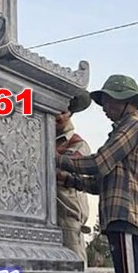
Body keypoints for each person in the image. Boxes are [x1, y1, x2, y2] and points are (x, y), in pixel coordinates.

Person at [56, 75, 138, 273]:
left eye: (108, 101)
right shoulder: (124, 130)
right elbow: (101, 183)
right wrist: (69, 179)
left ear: (124, 101)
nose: (104, 107)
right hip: (125, 220)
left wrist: (56, 160)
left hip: (126, 218)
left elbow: (98, 164)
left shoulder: (132, 127)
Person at [55, 92, 92, 263]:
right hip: (47, 218)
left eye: (63, 112)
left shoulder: (78, 144)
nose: (58, 116)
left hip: (68, 219)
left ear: (70, 113)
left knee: (75, 266)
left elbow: (67, 170)